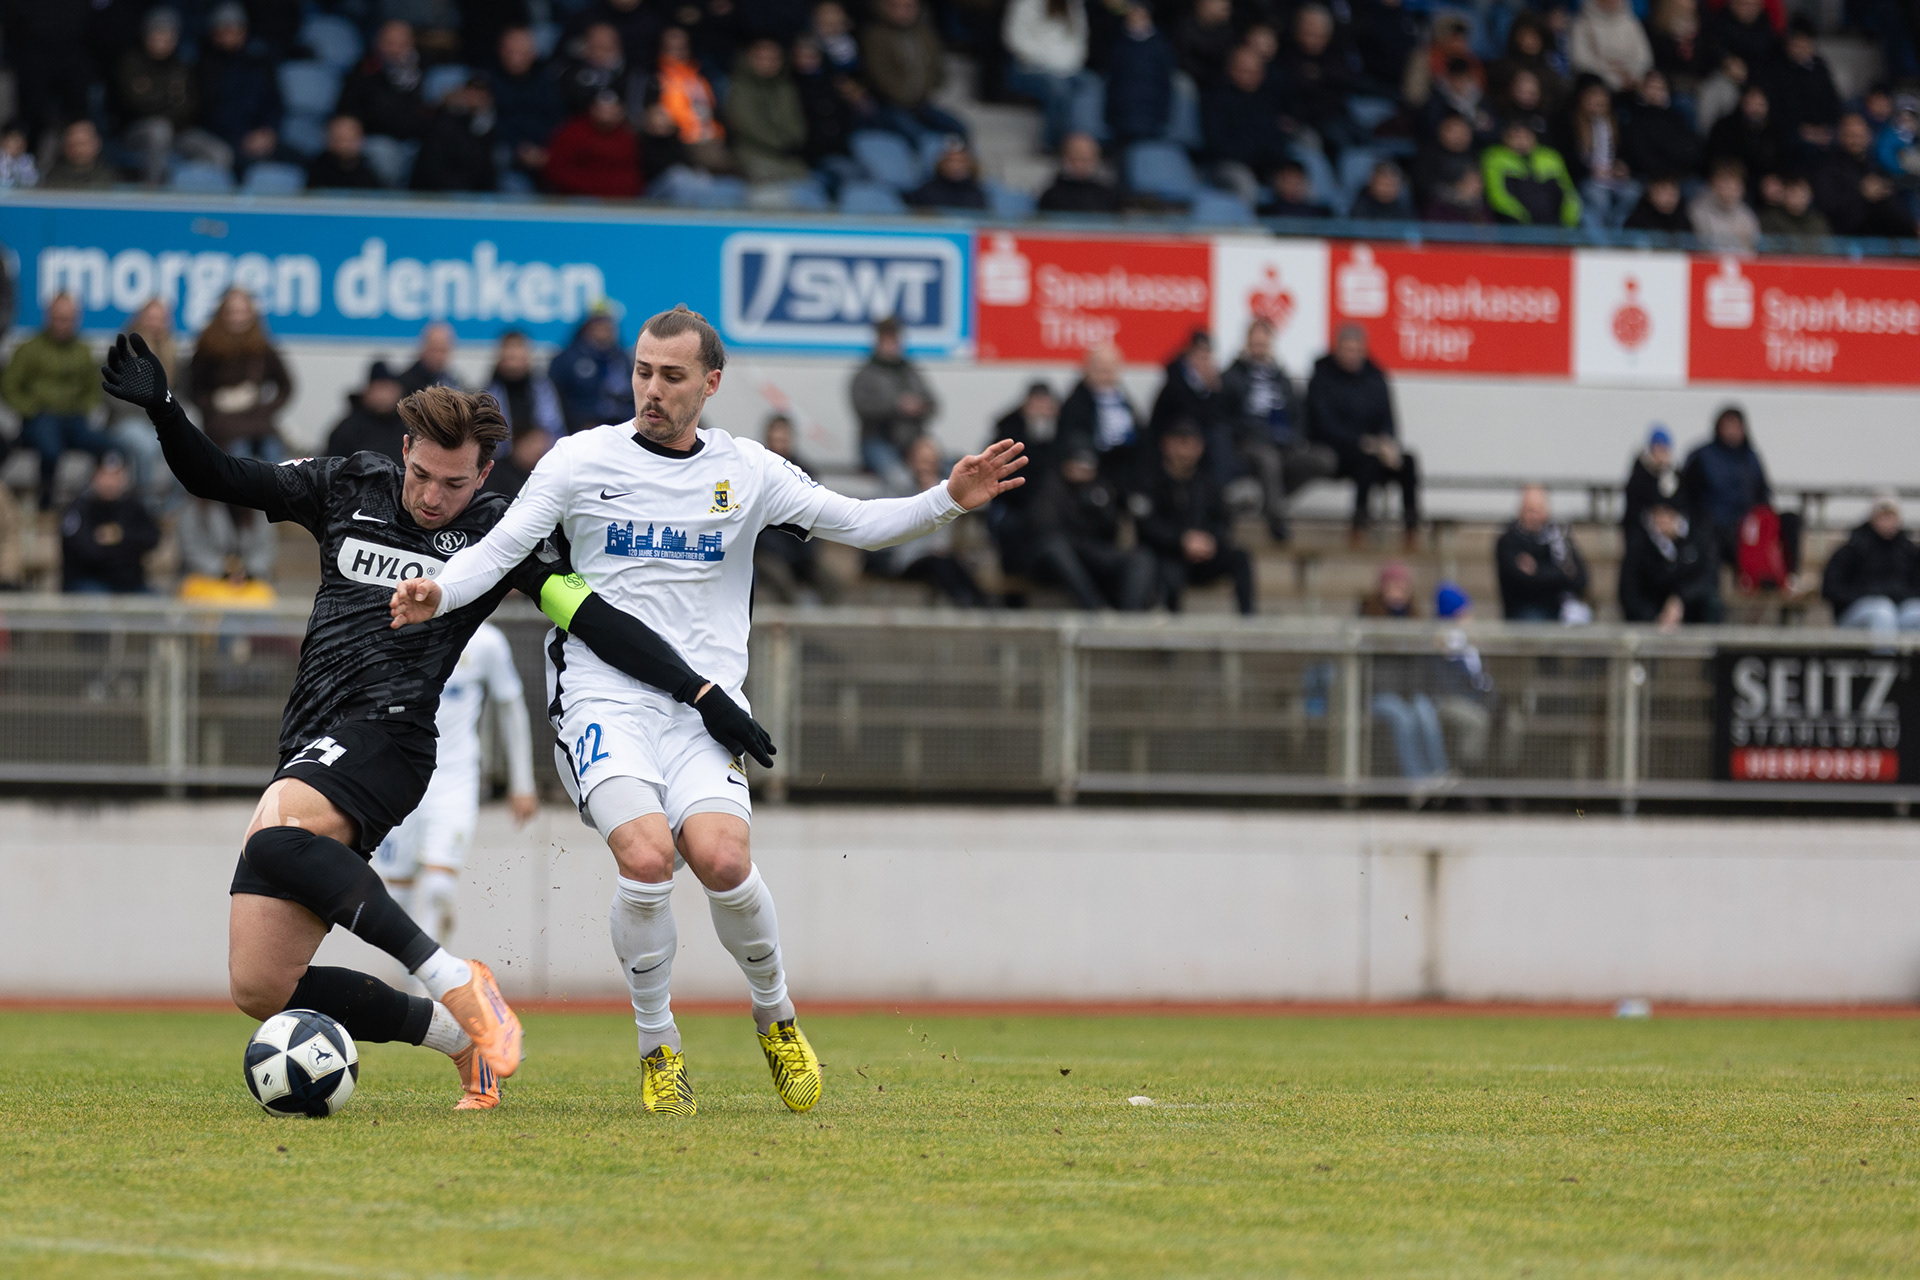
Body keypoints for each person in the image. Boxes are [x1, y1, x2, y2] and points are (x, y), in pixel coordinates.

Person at [389, 304, 1026, 1115]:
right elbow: (501, 550)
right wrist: (440, 589)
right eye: (642, 372)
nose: (651, 389)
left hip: (705, 712)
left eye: (672, 375)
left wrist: (947, 499)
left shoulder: (748, 471)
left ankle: (776, 1017)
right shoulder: (579, 460)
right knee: (648, 858)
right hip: (603, 698)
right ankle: (659, 1047)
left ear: (710, 383)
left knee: (723, 861)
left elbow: (859, 524)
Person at [105, 341, 773, 1112]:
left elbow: (589, 616)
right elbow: (219, 476)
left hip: (391, 740)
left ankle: (454, 979)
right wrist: (165, 409)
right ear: (404, 451)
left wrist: (700, 691)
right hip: (311, 741)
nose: (431, 496)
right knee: (261, 985)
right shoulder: (347, 483)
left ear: (482, 476)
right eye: (421, 474)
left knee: (275, 837)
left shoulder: (500, 531)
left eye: (453, 483)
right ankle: (459, 1040)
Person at [373, 622, 537, 947]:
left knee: (438, 888)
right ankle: (417, 974)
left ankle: (429, 976)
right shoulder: (392, 630)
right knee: (396, 896)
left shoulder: (486, 641)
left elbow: (511, 706)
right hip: (396, 778)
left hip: (454, 779)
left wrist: (523, 783)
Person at [1220, 318, 1336, 541]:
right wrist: (1253, 434)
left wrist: (1297, 439)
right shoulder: (1232, 376)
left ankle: (1268, 501)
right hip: (1249, 444)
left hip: (1284, 443)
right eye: (1256, 344)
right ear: (1246, 343)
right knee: (1268, 459)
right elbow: (1227, 418)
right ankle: (1276, 520)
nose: (1260, 349)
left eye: (1264, 344)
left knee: (1324, 459)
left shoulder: (1281, 378)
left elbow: (1298, 413)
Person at [1307, 325, 1419, 545]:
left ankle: (1411, 529)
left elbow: (1388, 420)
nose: (1352, 355)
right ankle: (1358, 526)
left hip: (1374, 450)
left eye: (1356, 350)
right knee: (1366, 461)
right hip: (1337, 451)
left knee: (1407, 462)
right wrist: (1362, 442)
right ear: (1337, 349)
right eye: (1347, 349)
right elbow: (1323, 425)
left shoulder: (1375, 378)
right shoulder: (1322, 378)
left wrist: (1387, 443)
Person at [2, 294, 111, 510]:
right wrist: (29, 408)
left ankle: (90, 503)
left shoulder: (83, 351)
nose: (63, 324)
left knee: (108, 447)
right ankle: (45, 504)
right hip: (40, 418)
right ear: (48, 317)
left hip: (74, 419)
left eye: (68, 319)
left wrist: (86, 407)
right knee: (51, 450)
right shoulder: (29, 349)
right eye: (59, 318)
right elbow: (8, 386)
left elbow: (94, 388)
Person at [1136, 421, 1254, 615]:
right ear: (1167, 444)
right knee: (1168, 573)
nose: (1187, 451)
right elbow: (1147, 525)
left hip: (1203, 555)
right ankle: (1172, 625)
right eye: (1182, 443)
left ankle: (1249, 619)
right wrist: (1181, 540)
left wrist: (1210, 540)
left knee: (1240, 557)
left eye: (1193, 444)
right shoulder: (1150, 482)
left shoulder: (1207, 483)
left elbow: (1223, 520)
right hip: (1168, 554)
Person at [1026, 446, 1157, 610]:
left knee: (1142, 557)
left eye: (1088, 467)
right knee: (1056, 548)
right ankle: (1097, 610)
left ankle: (1129, 616)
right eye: (1078, 464)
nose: (1083, 471)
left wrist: (1100, 508)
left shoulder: (1100, 489)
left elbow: (1111, 531)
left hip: (1091, 552)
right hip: (1058, 558)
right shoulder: (1050, 487)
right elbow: (1043, 528)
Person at [875, 436, 990, 606]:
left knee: (953, 564)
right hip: (904, 558)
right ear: (911, 460)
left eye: (931, 462)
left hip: (937, 555)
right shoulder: (898, 485)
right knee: (942, 564)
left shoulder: (943, 487)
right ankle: (969, 604)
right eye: (922, 461)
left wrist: (937, 494)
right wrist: (925, 496)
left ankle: (979, 603)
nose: (926, 467)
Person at [195, 3, 285, 177]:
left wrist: (268, 131)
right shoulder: (204, 67)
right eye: (225, 30)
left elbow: (274, 103)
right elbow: (208, 113)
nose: (231, 36)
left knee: (297, 162)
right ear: (215, 33)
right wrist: (242, 138)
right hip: (222, 139)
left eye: (236, 30)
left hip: (258, 137)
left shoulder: (259, 63)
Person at [113, 6, 199, 187]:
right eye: (157, 33)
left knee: (219, 154)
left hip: (178, 132)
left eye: (168, 34)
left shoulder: (181, 65)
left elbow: (189, 108)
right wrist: (168, 105)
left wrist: (161, 105)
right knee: (159, 130)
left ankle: (188, 193)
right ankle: (153, 189)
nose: (162, 40)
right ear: (146, 35)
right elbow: (135, 104)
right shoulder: (131, 62)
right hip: (135, 133)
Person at [860, 0, 967, 144]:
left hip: (922, 103)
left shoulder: (925, 34)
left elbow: (936, 66)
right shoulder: (875, 36)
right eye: (896, 7)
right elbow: (880, 75)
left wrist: (929, 89)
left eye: (909, 7)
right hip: (889, 106)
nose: (903, 12)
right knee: (921, 137)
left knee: (959, 129)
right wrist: (904, 97)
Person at [849, 316, 937, 487]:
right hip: (878, 441)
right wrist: (898, 407)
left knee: (945, 473)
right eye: (887, 338)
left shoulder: (910, 372)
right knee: (901, 481)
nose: (891, 344)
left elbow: (933, 404)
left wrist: (919, 407)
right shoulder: (865, 375)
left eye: (894, 338)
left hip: (913, 442)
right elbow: (863, 409)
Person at [1680, 404, 1769, 565]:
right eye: (1728, 426)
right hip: (1714, 524)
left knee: (1788, 521)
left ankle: (1780, 575)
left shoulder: (1750, 458)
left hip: (1746, 522)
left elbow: (1763, 491)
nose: (1732, 431)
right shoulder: (1703, 457)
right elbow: (1687, 492)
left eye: (1737, 426)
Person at [60, 454, 160, 595]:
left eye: (117, 475)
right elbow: (85, 551)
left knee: (158, 601)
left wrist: (119, 536)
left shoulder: (132, 507)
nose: (111, 482)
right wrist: (127, 549)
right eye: (106, 475)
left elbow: (152, 538)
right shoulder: (79, 509)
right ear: (94, 476)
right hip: (89, 581)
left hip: (129, 583)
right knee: (98, 601)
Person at [1823, 492, 1920, 637]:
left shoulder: (1909, 551)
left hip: (1900, 609)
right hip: (1857, 613)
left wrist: (1897, 595)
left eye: (1891, 516)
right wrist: (1869, 594)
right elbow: (1831, 589)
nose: (1887, 521)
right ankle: (1885, 653)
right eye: (1882, 516)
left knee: (1916, 613)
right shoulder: (1853, 549)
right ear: (1872, 517)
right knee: (1882, 612)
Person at [1002, 0, 1091, 152]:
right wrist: (1050, 62)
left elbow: (1080, 42)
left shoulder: (1074, 6)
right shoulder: (1025, 4)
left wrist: (1067, 64)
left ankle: (1085, 140)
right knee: (1058, 88)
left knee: (1091, 84)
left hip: (1068, 69)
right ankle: (1052, 143)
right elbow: (1015, 39)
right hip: (1030, 69)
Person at [1495, 484, 1591, 622]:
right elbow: (1524, 583)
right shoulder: (1509, 540)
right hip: (1526, 609)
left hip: (1562, 605)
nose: (1534, 516)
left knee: (1580, 619)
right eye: (1529, 510)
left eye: (1538, 510)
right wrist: (1563, 573)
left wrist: (1538, 571)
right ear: (1520, 511)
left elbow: (1581, 578)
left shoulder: (1560, 537)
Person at [1619, 498, 1721, 626]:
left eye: (1667, 512)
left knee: (1712, 602)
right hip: (1653, 616)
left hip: (1689, 611)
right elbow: (1629, 590)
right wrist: (1655, 617)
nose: (1663, 519)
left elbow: (1708, 578)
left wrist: (1680, 598)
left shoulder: (1697, 538)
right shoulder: (1639, 544)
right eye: (1658, 513)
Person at [727, 38, 810, 184]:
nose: (768, 63)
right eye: (761, 58)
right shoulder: (740, 88)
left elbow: (797, 122)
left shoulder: (786, 87)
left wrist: (793, 143)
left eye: (773, 59)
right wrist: (781, 143)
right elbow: (749, 125)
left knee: (808, 184)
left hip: (790, 156)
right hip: (754, 155)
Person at [492, 26, 568, 186]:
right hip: (508, 158)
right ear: (500, 51)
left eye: (523, 52)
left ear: (534, 53)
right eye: (511, 52)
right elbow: (492, 124)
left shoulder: (548, 82)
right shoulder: (488, 82)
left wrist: (545, 151)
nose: (516, 58)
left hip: (546, 153)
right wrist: (518, 149)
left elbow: (557, 120)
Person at [1057, 343, 1142, 484]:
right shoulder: (1076, 403)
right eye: (1100, 369)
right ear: (1087, 369)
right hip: (1090, 473)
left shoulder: (1123, 401)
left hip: (1124, 471)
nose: (1106, 375)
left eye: (1110, 369)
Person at [338, 19, 429, 147]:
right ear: (377, 43)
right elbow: (349, 109)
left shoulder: (425, 69)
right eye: (389, 43)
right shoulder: (365, 70)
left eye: (402, 44)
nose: (395, 50)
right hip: (377, 137)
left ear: (412, 44)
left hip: (418, 137)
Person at [545, 89, 646, 197]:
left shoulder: (627, 136)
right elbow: (556, 170)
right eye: (602, 109)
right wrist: (597, 189)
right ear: (592, 109)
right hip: (579, 197)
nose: (607, 114)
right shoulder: (573, 132)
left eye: (613, 109)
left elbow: (634, 174)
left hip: (622, 199)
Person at [1483, 116, 1581, 225]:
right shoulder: (1494, 158)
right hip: (1518, 225)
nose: (1521, 141)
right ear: (1505, 138)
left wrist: (1568, 223)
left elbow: (1568, 192)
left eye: (1526, 136)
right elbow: (1497, 195)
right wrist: (1523, 219)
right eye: (1515, 137)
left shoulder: (1551, 157)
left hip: (1556, 225)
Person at [410, 77, 500, 193]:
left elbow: (486, 171)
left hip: (472, 193)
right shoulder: (444, 122)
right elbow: (432, 167)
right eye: (472, 92)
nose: (476, 98)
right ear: (463, 93)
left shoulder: (489, 128)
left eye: (482, 94)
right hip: (437, 193)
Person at [1105, 4, 1177, 147]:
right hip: (1121, 117)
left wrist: (1162, 116)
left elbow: (1165, 84)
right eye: (1133, 13)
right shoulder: (1119, 45)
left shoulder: (1160, 47)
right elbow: (1112, 82)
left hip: (1151, 117)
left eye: (1140, 14)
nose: (1136, 18)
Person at [552, 308, 634, 432]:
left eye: (608, 326)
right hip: (581, 426)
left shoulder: (622, 359)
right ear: (587, 327)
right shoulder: (566, 360)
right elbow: (558, 402)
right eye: (599, 325)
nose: (604, 330)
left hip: (621, 424)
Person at [486, 330, 565, 441]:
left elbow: (554, 426)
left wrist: (539, 440)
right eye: (510, 354)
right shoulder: (489, 393)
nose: (513, 355)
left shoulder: (542, 388)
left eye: (518, 352)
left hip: (540, 448)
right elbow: (488, 433)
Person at [326, 363, 409, 465]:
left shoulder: (408, 427)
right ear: (368, 391)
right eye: (381, 388)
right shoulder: (348, 429)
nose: (385, 396)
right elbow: (331, 467)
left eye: (390, 390)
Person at [1569, 0, 1652, 92]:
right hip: (1599, 84)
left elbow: (1644, 58)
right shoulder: (1582, 24)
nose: (1613, 2)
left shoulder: (1631, 23)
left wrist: (1632, 75)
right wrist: (1613, 79)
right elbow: (1581, 62)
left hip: (1633, 83)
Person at [1038, 132, 1122, 213]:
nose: (1080, 165)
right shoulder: (1051, 196)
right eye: (1075, 159)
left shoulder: (1108, 196)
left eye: (1086, 159)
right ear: (1064, 158)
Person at [1689, 158, 1761, 251]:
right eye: (1724, 182)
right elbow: (1700, 246)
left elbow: (1753, 249)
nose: (1729, 187)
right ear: (1713, 183)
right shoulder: (1698, 210)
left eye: (1734, 183)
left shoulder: (1747, 215)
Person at [1623, 424, 1680, 530]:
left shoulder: (1673, 473)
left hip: (1668, 528)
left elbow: (1680, 499)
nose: (1660, 453)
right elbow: (1635, 501)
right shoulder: (1640, 471)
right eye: (1657, 448)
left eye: (1663, 449)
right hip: (1642, 527)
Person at [907, 138, 990, 209]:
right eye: (951, 161)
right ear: (941, 163)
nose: (956, 166)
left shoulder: (977, 194)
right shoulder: (926, 193)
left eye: (961, 161)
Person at [307, 116, 385, 190]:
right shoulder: (318, 168)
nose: (344, 146)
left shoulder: (370, 167)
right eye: (340, 139)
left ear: (361, 139)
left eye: (349, 140)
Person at [40, 121, 118, 191]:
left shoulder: (112, 177)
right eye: (73, 144)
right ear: (65, 147)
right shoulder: (54, 178)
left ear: (97, 144)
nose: (79, 150)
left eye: (83, 144)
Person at [483, 425, 554, 498]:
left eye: (542, 446)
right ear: (518, 443)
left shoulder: (544, 476)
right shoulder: (495, 473)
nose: (537, 450)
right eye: (530, 444)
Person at [1759, 170, 1831, 238]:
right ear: (1784, 194)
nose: (1799, 197)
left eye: (1803, 193)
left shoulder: (1818, 222)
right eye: (1794, 192)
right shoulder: (1771, 220)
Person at [400, 324, 462, 398]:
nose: (438, 356)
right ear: (424, 348)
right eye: (434, 349)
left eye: (442, 351)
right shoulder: (405, 383)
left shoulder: (453, 381)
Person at [1262, 160, 1334, 216]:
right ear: (1278, 182)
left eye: (1297, 181)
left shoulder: (1321, 213)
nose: (1293, 186)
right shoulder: (1266, 213)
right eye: (1288, 181)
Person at [1623, 172, 1691, 230]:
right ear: (1650, 194)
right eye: (1664, 193)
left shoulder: (1683, 220)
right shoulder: (1636, 222)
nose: (1669, 199)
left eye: (1673, 194)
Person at [1349, 160, 1414, 218]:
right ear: (1372, 183)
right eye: (1383, 184)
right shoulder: (1362, 205)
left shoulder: (1402, 206)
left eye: (1391, 185)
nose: (1387, 190)